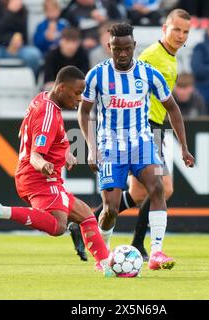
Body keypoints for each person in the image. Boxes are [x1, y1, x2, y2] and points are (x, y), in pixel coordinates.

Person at [70, 9, 193, 262]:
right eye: (177, 30)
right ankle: (99, 238)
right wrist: (91, 148)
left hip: (146, 138)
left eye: (186, 32)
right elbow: (84, 112)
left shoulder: (158, 66)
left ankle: (153, 250)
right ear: (109, 47)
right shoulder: (111, 70)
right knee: (113, 207)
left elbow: (173, 107)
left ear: (134, 46)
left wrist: (183, 146)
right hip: (114, 143)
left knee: (158, 187)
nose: (123, 53)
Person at [0, 66, 114, 277]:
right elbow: (35, 154)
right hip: (39, 177)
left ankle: (106, 266)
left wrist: (65, 151)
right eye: (77, 93)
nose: (79, 99)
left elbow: (32, 132)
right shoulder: (47, 113)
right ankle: (1, 210)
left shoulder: (42, 99)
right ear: (61, 88)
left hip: (34, 175)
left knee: (87, 215)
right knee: (59, 226)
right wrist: (43, 164)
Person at [0, 0, 42, 80]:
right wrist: (10, 12)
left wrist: (21, 41)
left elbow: (24, 34)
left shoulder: (22, 9)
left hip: (16, 49)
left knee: (33, 55)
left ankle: (31, 82)